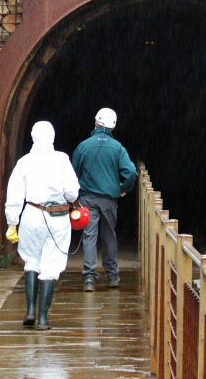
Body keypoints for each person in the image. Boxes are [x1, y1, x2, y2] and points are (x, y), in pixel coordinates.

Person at [5, 121, 79, 330]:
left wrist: (12, 222)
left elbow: (14, 194)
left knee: (32, 261)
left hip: (31, 213)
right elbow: (72, 193)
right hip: (57, 217)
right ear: (52, 137)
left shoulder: (24, 162)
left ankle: (30, 310)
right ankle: (43, 318)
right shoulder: (61, 160)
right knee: (51, 263)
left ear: (33, 137)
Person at [73, 107, 137, 292]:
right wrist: (123, 189)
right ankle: (113, 275)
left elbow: (73, 172)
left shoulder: (83, 146)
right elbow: (131, 172)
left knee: (89, 236)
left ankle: (89, 277)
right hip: (109, 199)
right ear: (113, 126)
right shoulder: (118, 148)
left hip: (87, 198)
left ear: (96, 122)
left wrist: (75, 195)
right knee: (109, 235)